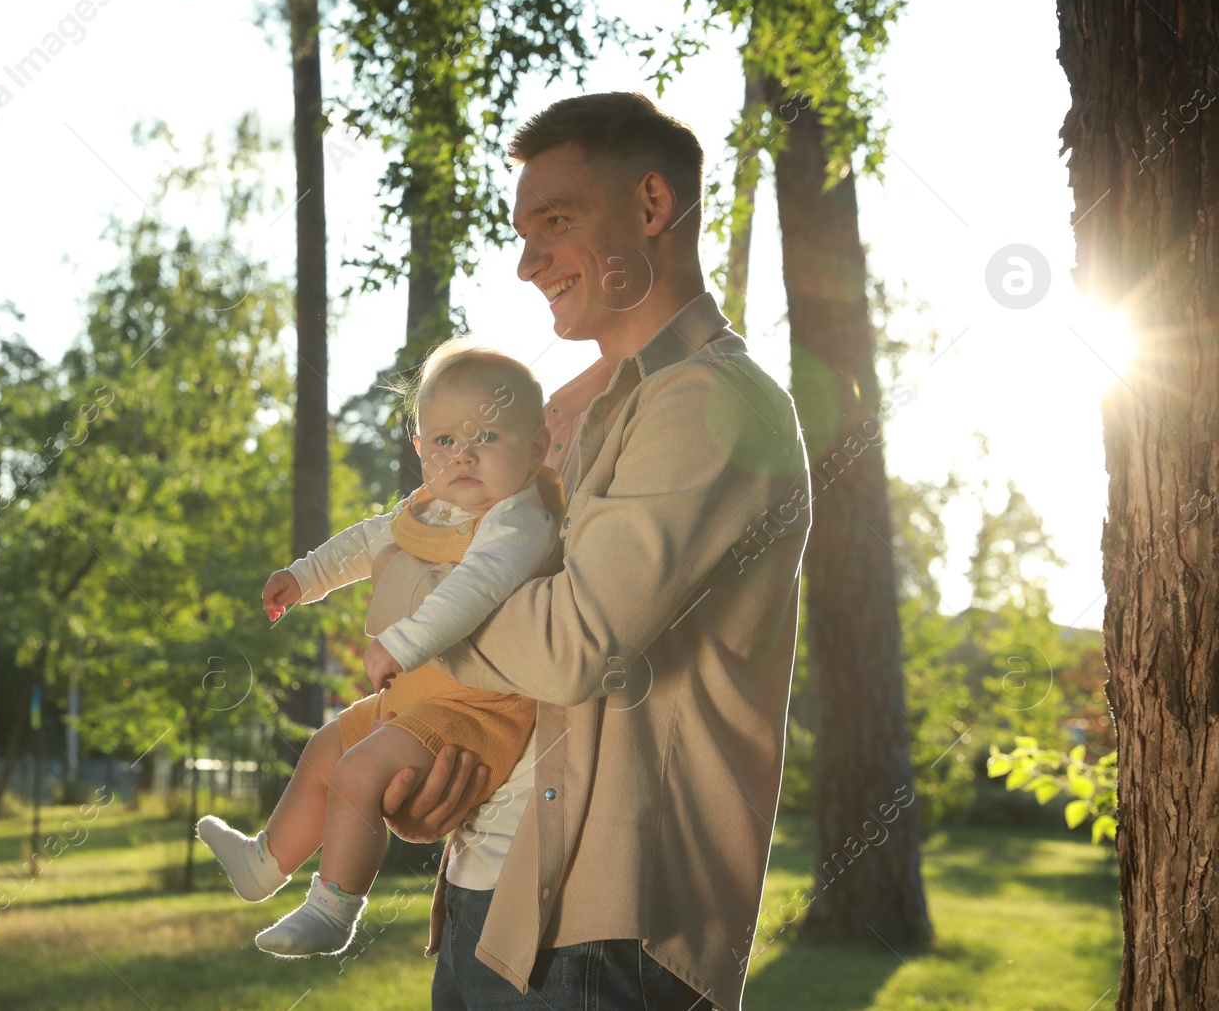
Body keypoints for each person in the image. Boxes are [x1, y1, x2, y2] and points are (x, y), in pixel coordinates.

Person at [374, 92, 814, 1011]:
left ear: (652, 209)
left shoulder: (710, 405)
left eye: (556, 222)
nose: (528, 261)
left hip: (604, 941)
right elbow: (523, 676)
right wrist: (434, 776)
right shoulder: (577, 414)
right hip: (492, 904)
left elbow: (574, 643)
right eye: (522, 231)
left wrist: (416, 602)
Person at [195, 340, 568, 958]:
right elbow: (367, 541)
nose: (464, 455)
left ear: (536, 447)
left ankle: (333, 908)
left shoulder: (520, 518)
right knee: (326, 748)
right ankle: (263, 864)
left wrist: (402, 638)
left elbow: (478, 587)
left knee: (359, 772)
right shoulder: (432, 508)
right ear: (420, 448)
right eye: (444, 441)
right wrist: (306, 577)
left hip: (475, 710)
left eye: (488, 438)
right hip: (419, 698)